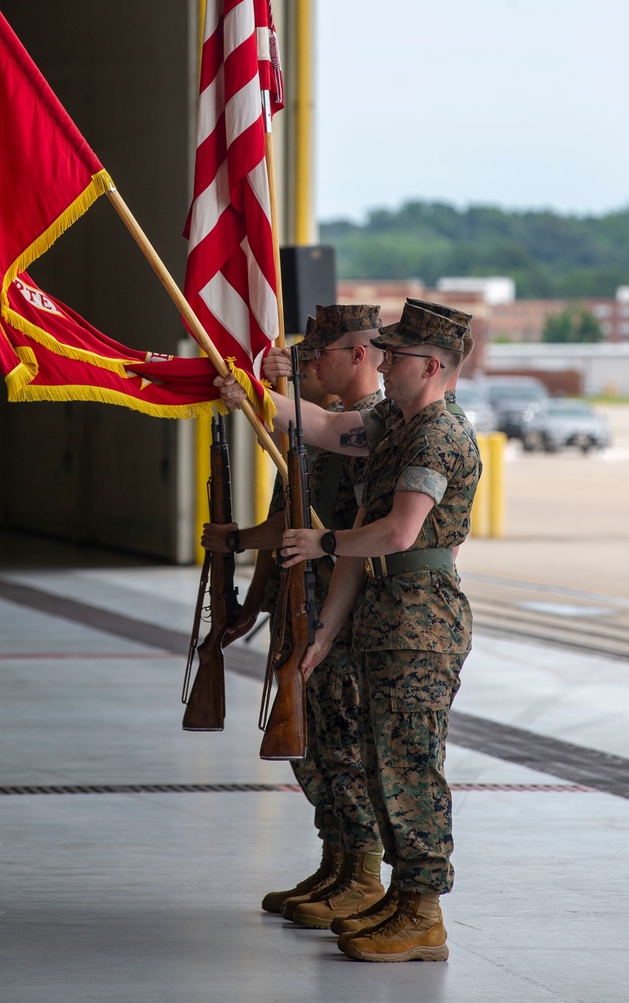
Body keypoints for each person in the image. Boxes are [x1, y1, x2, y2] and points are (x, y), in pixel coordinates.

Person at [216, 301, 480, 964]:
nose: (384, 364)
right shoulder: (394, 424)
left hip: (420, 619)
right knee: (377, 761)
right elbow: (329, 429)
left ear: (431, 366)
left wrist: (324, 539)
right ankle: (396, 896)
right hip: (379, 614)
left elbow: (398, 532)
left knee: (410, 767)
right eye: (381, 352)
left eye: (395, 356)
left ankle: (422, 909)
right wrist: (327, 631)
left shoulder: (438, 434)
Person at [206, 308, 387, 924]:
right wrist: (249, 601)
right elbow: (287, 522)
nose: (309, 366)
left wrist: (265, 393)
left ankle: (361, 872)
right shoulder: (311, 433)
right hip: (299, 599)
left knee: (343, 742)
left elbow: (333, 430)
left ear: (359, 353)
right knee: (313, 747)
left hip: (346, 606)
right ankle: (336, 860)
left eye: (319, 356)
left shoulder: (373, 425)